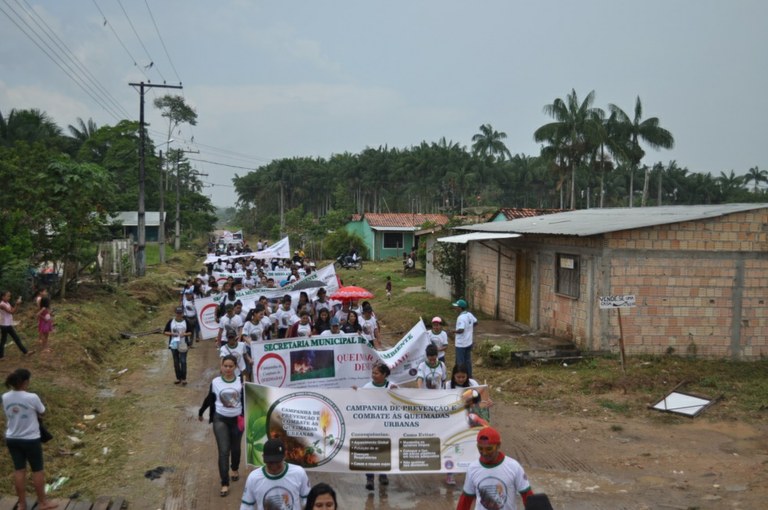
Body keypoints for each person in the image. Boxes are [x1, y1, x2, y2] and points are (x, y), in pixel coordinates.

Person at [3, 369, 57, 510]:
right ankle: (43, 502)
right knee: (37, 470)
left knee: (19, 470)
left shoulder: (5, 397)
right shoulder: (32, 397)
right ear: (25, 382)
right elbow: (43, 412)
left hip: (12, 438)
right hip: (30, 439)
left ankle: (21, 504)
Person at [456, 426, 534, 510]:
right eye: (480, 448)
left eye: (489, 449)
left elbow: (527, 496)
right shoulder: (472, 468)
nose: (484, 453)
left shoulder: (514, 467)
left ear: (498, 446)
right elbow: (465, 500)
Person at [199, 355, 243, 498]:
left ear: (235, 367)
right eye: (226, 366)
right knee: (224, 451)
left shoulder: (241, 381)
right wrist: (201, 411)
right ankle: (224, 483)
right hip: (220, 420)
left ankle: (234, 468)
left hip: (238, 420)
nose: (228, 369)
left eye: (231, 366)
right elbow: (210, 398)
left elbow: (250, 398)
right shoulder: (216, 382)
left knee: (236, 448)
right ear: (222, 366)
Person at [240, 437, 310, 510]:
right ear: (263, 457)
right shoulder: (253, 478)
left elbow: (307, 501)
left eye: (277, 461)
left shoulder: (299, 473)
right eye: (270, 462)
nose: (274, 466)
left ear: (285, 455)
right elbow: (246, 506)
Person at [359, 362, 396, 490]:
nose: (373, 375)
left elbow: (400, 401)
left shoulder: (392, 386)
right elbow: (357, 400)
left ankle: (383, 474)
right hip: (370, 425)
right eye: (372, 373)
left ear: (384, 375)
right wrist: (353, 392)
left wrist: (397, 393)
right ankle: (369, 478)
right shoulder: (367, 387)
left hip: (386, 426)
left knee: (384, 449)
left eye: (376, 373)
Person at [0, 290, 34, 360]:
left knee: (12, 339)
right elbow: (11, 312)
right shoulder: (2, 304)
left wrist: (17, 305)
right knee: (6, 340)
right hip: (4, 325)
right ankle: (25, 352)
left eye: (9, 296)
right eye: (8, 296)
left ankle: (25, 352)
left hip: (8, 324)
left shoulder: (7, 303)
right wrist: (17, 304)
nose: (9, 297)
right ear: (3, 297)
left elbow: (14, 311)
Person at [164, 306, 191, 385]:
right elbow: (165, 332)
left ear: (182, 313)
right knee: (176, 362)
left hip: (183, 344)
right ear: (175, 313)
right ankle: (178, 378)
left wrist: (184, 334)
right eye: (177, 313)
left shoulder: (186, 321)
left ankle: (184, 379)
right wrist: (172, 334)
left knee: (183, 361)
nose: (179, 314)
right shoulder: (171, 321)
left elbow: (190, 332)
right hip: (174, 344)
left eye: (180, 313)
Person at [452, 299, 478, 378]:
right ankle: (469, 377)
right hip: (468, 342)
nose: (455, 308)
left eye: (456, 307)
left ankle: (460, 377)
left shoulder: (461, 317)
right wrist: (469, 329)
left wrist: (453, 331)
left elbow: (461, 330)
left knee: (460, 362)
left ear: (460, 308)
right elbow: (476, 322)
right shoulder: (469, 314)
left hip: (461, 344)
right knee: (468, 361)